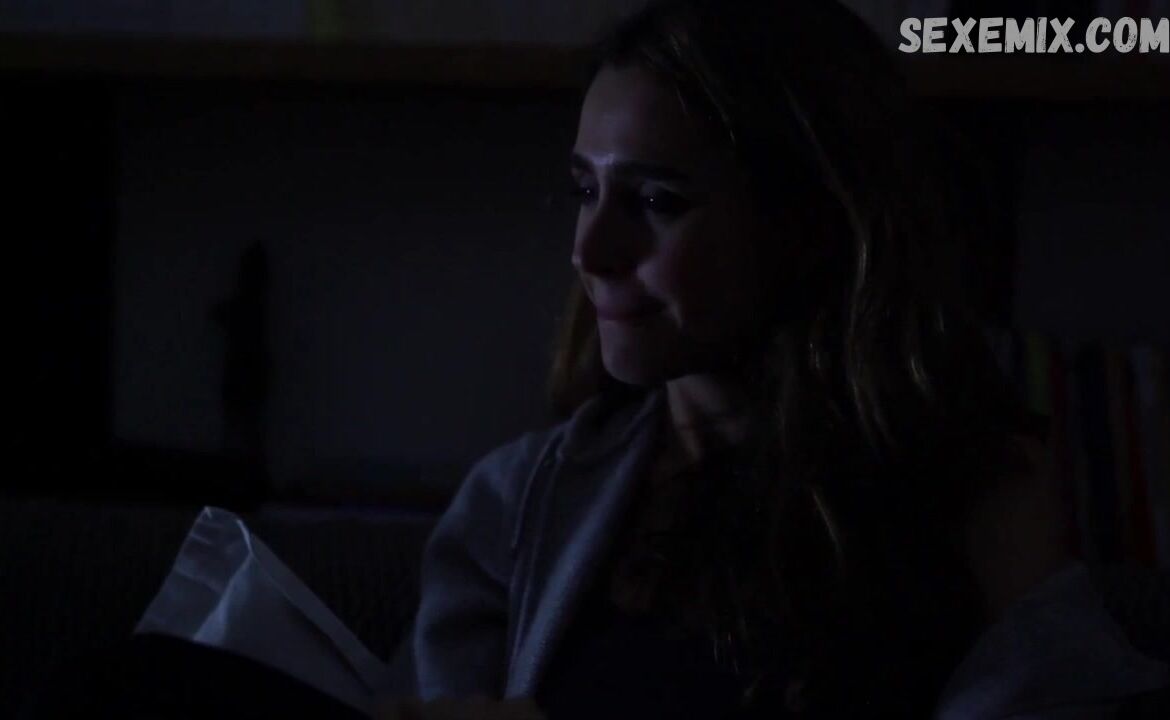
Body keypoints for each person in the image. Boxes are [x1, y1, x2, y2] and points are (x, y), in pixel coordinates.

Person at [381, 0, 1168, 718]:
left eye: (655, 200)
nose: (590, 251)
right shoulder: (520, 500)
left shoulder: (974, 495)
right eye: (585, 190)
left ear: (811, 221)